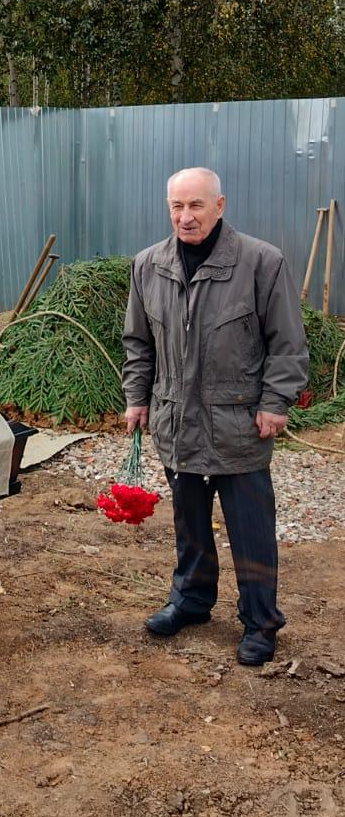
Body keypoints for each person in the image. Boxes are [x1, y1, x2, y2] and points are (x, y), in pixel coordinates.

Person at [122, 167, 308, 666]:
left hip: (238, 424)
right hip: (177, 420)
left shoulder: (261, 263)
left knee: (251, 530)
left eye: (196, 206)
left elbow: (288, 344)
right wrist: (137, 398)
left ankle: (260, 622)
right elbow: (139, 343)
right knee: (190, 525)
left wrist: (275, 403)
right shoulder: (148, 265)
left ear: (219, 206)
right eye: (177, 206)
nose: (186, 217)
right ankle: (191, 600)